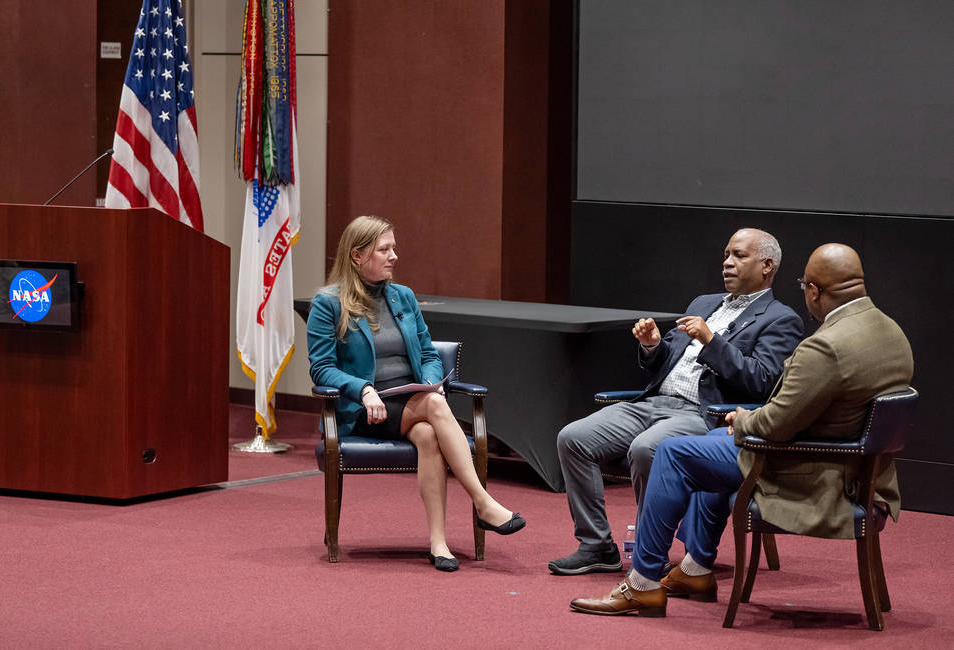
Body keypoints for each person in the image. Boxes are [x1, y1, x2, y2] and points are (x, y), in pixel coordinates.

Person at [568, 243, 914, 616]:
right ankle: (695, 569)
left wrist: (742, 420)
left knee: (674, 452)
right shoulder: (891, 332)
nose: (728, 262)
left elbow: (777, 422)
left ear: (813, 291)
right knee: (709, 443)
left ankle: (643, 584)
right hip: (855, 466)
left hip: (816, 469)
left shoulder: (825, 345)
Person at [549, 228, 804, 576]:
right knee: (573, 438)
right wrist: (653, 346)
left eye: (739, 256)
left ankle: (649, 551)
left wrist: (712, 341)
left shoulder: (780, 319)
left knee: (646, 449)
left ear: (766, 266)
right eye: (726, 254)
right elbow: (668, 358)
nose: (727, 263)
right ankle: (596, 545)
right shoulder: (703, 303)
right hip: (653, 402)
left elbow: (762, 381)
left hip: (705, 413)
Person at [306, 215, 525, 572]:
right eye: (384, 249)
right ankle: (483, 503)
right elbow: (321, 368)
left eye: (394, 247)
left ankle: (439, 544)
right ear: (357, 256)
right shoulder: (328, 304)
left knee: (427, 434)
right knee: (435, 408)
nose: (394, 255)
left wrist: (432, 380)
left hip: (413, 400)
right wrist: (362, 390)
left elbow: (427, 355)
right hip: (365, 409)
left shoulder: (402, 297)